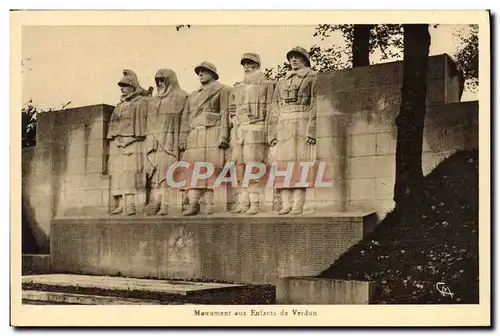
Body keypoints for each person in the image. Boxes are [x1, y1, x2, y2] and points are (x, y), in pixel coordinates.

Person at [268, 47, 318, 215]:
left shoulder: (313, 77)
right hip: (283, 125)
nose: (294, 60)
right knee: (282, 165)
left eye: (298, 57)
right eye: (291, 58)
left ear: (305, 59)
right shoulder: (282, 82)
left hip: (302, 123)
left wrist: (312, 129)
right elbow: (274, 108)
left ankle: (298, 204)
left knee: (300, 164)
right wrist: (272, 133)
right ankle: (286, 204)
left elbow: (315, 104)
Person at [179, 62, 230, 216]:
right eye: (199, 72)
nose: (200, 74)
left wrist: (223, 135)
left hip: (212, 133)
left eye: (204, 71)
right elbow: (186, 118)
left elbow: (225, 113)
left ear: (212, 74)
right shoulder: (193, 95)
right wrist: (183, 138)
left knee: (210, 169)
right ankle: (193, 204)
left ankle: (209, 204)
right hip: (194, 135)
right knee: (193, 170)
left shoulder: (221, 90)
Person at [229, 52, 276, 215]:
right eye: (245, 64)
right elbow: (233, 111)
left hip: (257, 128)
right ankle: (243, 202)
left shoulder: (268, 84)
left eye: (250, 64)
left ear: (257, 65)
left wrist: (271, 134)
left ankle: (255, 202)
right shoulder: (238, 87)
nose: (247, 67)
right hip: (241, 130)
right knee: (240, 167)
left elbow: (272, 110)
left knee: (254, 165)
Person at [144, 69, 188, 216]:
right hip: (155, 144)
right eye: (158, 81)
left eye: (163, 80)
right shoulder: (154, 100)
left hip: (170, 143)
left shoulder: (181, 97)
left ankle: (166, 204)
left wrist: (182, 139)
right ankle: (156, 203)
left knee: (167, 174)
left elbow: (185, 120)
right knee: (155, 176)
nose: (160, 83)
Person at [107, 69, 148, 216]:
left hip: (134, 144)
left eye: (125, 85)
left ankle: (131, 204)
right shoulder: (119, 105)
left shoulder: (141, 102)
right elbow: (113, 126)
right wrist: (116, 138)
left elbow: (143, 129)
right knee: (118, 174)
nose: (122, 88)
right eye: (121, 86)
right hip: (119, 144)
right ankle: (121, 204)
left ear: (133, 86)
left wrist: (130, 139)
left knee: (131, 174)